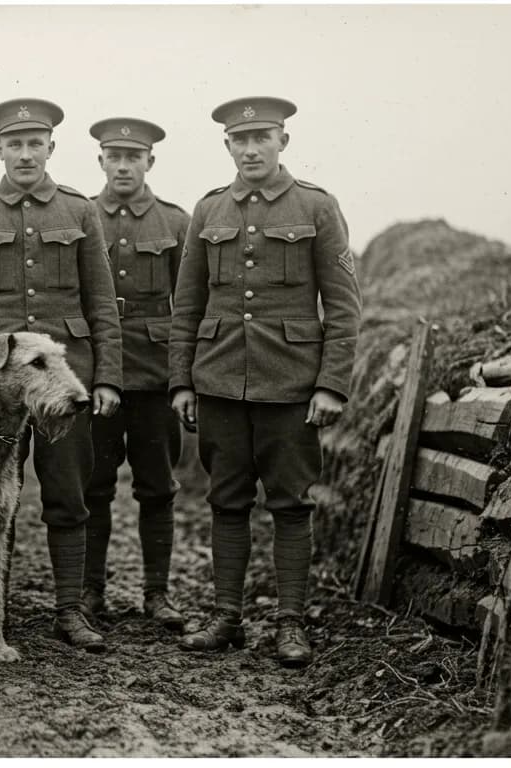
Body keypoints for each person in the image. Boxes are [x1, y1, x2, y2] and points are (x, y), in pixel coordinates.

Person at [169, 97, 361, 668]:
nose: (250, 149)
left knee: (291, 504)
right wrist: (182, 381)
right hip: (220, 379)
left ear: (284, 141)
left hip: (291, 384)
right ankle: (227, 617)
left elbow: (345, 307)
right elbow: (188, 305)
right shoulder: (208, 211)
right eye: (239, 139)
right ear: (227, 145)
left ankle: (291, 623)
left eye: (262, 137)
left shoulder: (317, 207)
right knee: (225, 501)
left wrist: (331, 384)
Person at [0, 99, 122, 651]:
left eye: (34, 144)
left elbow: (103, 304)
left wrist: (106, 378)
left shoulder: (80, 211)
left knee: (68, 493)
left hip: (65, 380)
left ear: (50, 149)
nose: (24, 154)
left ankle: (70, 611)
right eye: (13, 145)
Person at [81, 117, 189, 630]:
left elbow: (187, 305)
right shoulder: (80, 216)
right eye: (114, 157)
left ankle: (157, 594)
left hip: (154, 375)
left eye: (134, 157)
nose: (124, 166)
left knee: (157, 487)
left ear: (150, 161)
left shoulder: (174, 222)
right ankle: (89, 591)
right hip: (96, 371)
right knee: (93, 484)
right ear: (100, 160)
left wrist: (182, 377)